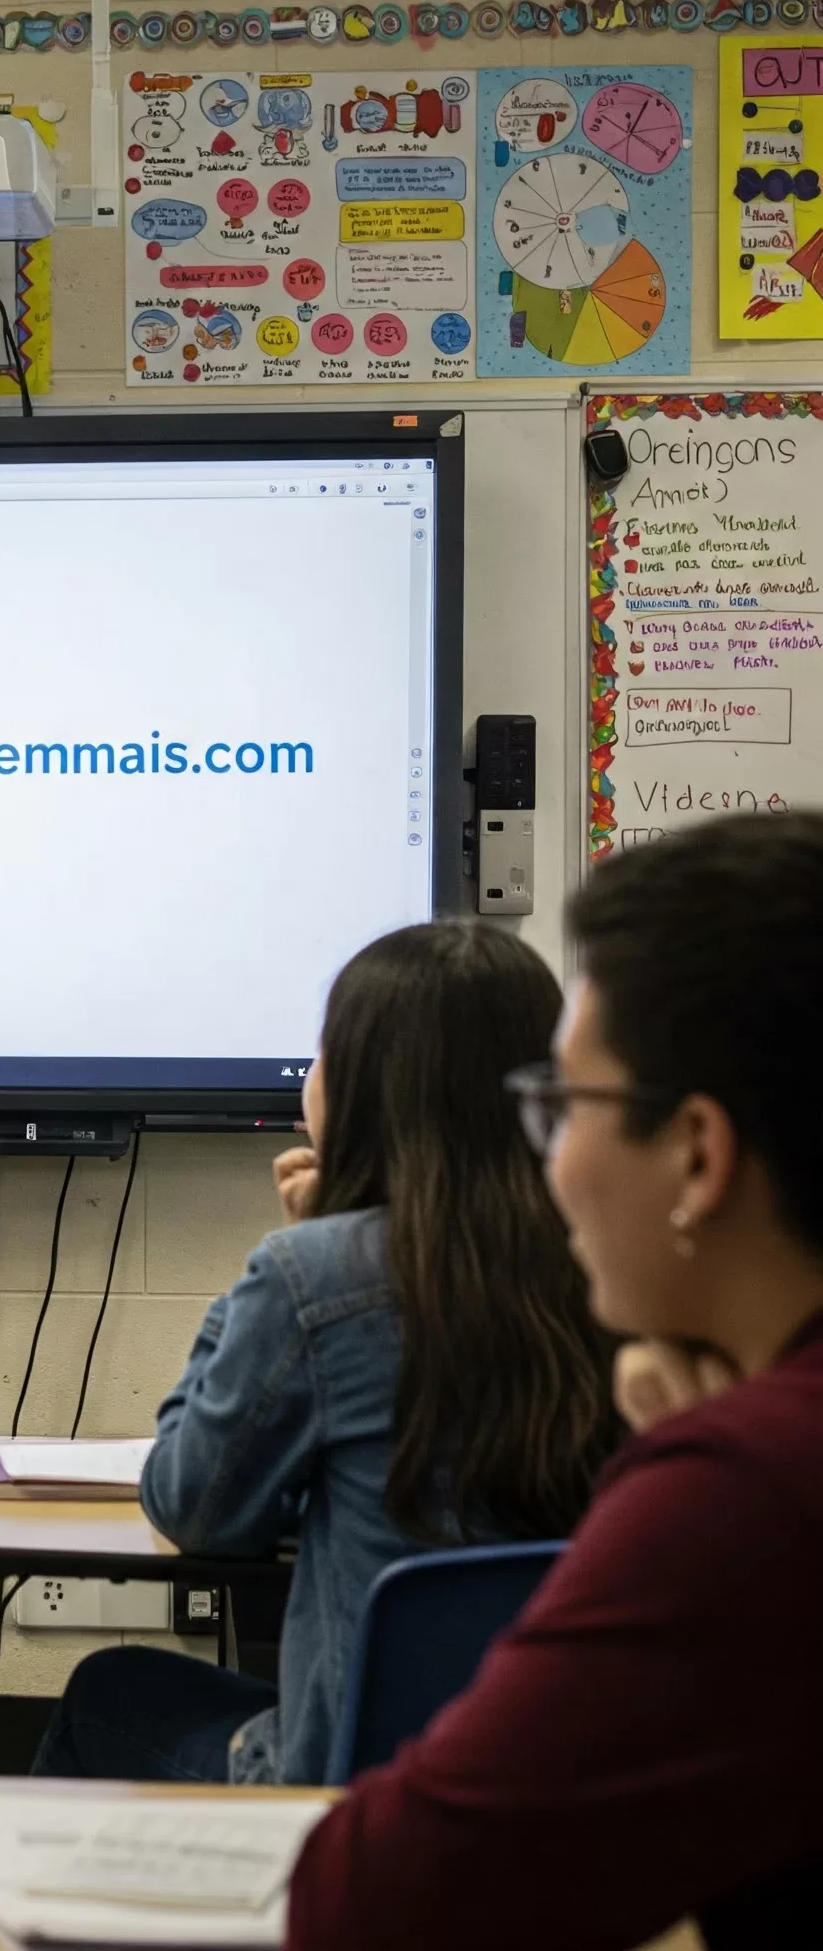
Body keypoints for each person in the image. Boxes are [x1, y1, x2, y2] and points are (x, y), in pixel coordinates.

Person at [287, 813, 823, 1950]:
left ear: (695, 1150)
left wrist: (687, 1485)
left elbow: (371, 1894)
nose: (546, 1157)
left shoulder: (748, 1484)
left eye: (562, 1105)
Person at [37, 920, 619, 1787]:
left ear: (359, 1086)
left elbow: (191, 1506)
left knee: (110, 1690)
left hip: (357, 1782)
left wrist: (287, 1259)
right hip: (566, 1773)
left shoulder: (318, 1275)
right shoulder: (616, 1265)